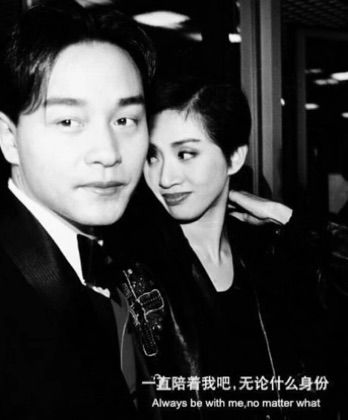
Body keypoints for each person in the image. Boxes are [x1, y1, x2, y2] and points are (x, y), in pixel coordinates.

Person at [0, 2, 159, 419]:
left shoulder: (130, 251)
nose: (108, 153)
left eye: (125, 120)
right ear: (9, 137)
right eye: (69, 122)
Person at [111, 77, 329, 419]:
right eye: (152, 156)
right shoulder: (135, 275)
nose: (165, 178)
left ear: (234, 157)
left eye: (186, 154)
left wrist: (286, 218)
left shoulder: (267, 259)